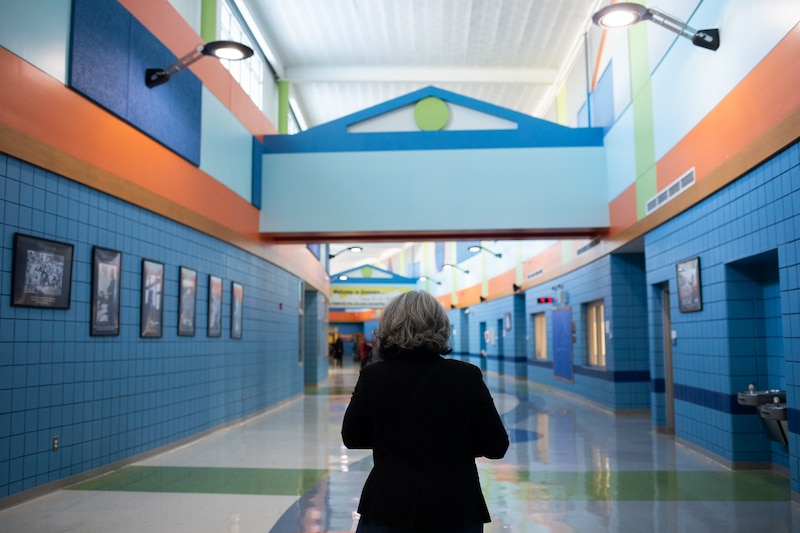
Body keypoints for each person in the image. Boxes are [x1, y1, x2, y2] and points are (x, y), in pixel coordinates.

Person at [341, 290, 509, 533]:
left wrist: (394, 439)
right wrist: (454, 443)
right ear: (441, 326)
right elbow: (496, 446)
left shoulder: (374, 377)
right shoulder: (466, 376)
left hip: (388, 509)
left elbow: (352, 437)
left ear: (389, 328)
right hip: (456, 509)